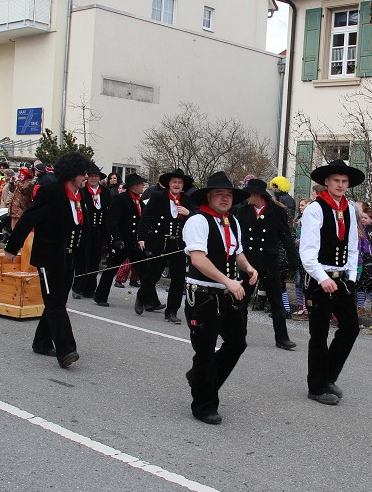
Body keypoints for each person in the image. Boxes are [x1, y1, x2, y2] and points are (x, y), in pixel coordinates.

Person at [3, 152, 95, 369]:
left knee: (58, 301)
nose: (86, 177)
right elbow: (29, 218)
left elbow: (84, 229)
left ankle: (41, 342)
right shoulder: (51, 191)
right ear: (72, 173)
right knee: (54, 303)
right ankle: (66, 349)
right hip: (49, 256)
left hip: (68, 257)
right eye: (83, 173)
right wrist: (12, 247)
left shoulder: (80, 196)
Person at [182, 172, 259, 424]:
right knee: (204, 351)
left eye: (228, 195)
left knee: (237, 344)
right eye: (219, 194)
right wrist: (226, 280)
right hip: (203, 295)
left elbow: (237, 252)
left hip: (227, 295)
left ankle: (199, 377)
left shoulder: (232, 221)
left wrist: (247, 267)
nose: (225, 199)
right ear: (208, 197)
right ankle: (204, 405)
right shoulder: (198, 221)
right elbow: (198, 259)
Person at [300, 159, 365, 405]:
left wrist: (350, 277)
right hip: (319, 279)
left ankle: (327, 377)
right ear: (326, 182)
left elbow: (352, 247)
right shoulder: (315, 209)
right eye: (336, 180)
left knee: (351, 328)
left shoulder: (349, 208)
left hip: (342, 278)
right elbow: (307, 252)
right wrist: (323, 278)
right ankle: (316, 387)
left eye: (344, 181)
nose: (340, 185)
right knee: (319, 334)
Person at [237, 178, 300, 349]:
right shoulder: (243, 211)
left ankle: (282, 339)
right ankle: (238, 337)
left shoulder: (276, 212)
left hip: (270, 263)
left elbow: (286, 238)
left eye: (249, 193)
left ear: (257, 195)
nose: (246, 197)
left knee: (277, 302)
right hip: (248, 263)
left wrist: (294, 263)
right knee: (241, 301)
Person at [138, 168, 194, 321]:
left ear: (183, 185)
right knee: (153, 275)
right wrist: (141, 237)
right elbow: (146, 217)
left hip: (178, 245)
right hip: (159, 242)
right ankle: (141, 295)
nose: (177, 185)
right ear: (169, 183)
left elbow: (198, 218)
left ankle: (171, 312)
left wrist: (188, 213)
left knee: (178, 279)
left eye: (180, 182)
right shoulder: (157, 196)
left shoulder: (187, 200)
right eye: (174, 182)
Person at [94, 173, 150, 308]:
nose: (143, 186)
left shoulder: (139, 201)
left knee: (145, 272)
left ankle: (150, 301)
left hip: (134, 244)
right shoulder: (121, 199)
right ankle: (100, 296)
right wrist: (117, 239)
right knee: (111, 270)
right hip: (122, 242)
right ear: (133, 186)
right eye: (141, 184)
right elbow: (112, 220)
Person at [72, 163, 109, 300]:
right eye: (91, 176)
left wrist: (107, 235)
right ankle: (77, 287)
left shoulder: (105, 192)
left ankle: (89, 289)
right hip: (85, 231)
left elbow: (107, 214)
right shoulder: (82, 191)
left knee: (95, 261)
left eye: (96, 176)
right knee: (82, 260)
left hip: (98, 232)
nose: (93, 178)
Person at [356, 203, 372, 317]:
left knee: (371, 286)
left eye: (366, 218)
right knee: (360, 285)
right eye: (362, 217)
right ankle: (360, 306)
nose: (363, 220)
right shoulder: (360, 230)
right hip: (361, 261)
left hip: (370, 263)